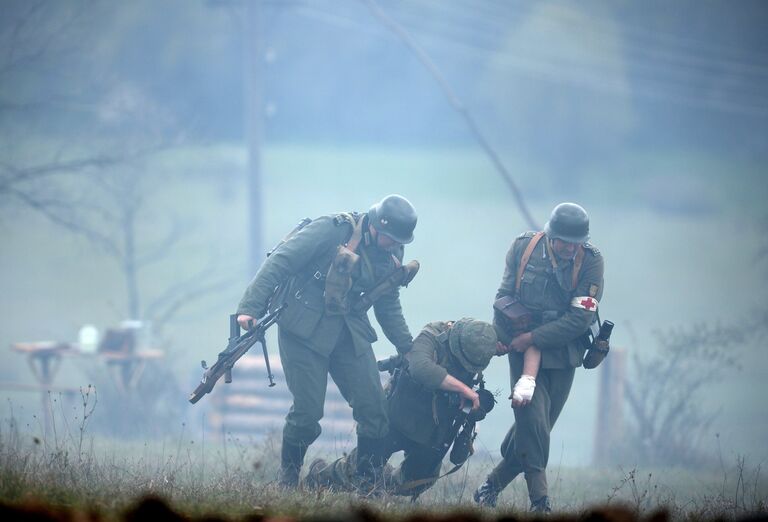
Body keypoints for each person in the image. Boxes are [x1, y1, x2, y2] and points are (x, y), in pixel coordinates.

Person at [235, 195, 418, 488]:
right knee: (307, 415)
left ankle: (366, 482)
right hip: (303, 329)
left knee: (375, 410)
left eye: (396, 239)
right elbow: (282, 260)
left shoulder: (392, 252)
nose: (391, 244)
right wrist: (250, 307)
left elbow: (388, 305)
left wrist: (407, 347)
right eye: (387, 237)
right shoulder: (333, 230)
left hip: (349, 332)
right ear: (374, 225)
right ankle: (289, 479)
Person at [474, 202, 605, 512]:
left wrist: (532, 338)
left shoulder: (591, 262)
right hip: (521, 352)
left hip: (564, 354)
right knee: (533, 423)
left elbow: (580, 319)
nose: (572, 249)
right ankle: (540, 502)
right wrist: (504, 339)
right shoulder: (523, 248)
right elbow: (503, 297)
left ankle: (489, 487)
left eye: (578, 243)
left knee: (535, 430)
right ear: (551, 235)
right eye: (566, 242)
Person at [302, 318, 498, 498]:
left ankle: (378, 487)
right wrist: (464, 389)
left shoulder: (478, 352)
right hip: (398, 416)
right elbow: (420, 367)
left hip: (432, 431)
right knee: (362, 468)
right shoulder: (434, 334)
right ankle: (320, 476)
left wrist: (472, 408)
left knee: (415, 482)